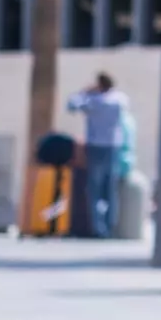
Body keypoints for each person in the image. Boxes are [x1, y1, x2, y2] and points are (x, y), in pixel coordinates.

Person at [65, 73, 129, 238]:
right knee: (110, 189)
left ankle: (98, 229)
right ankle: (110, 227)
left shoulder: (94, 102)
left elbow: (71, 105)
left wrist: (84, 92)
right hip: (114, 146)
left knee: (95, 189)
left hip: (95, 147)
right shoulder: (119, 99)